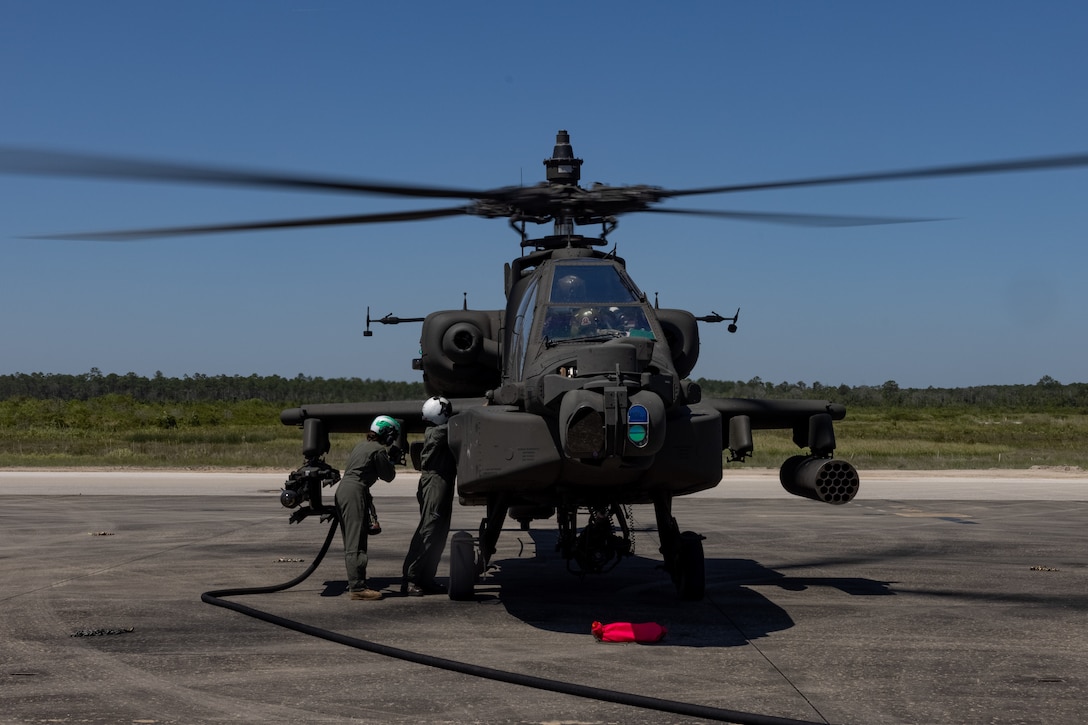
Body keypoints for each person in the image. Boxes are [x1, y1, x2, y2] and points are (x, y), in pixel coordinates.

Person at [337, 414, 401, 601]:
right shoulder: (377, 450)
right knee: (355, 542)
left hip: (346, 490)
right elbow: (388, 476)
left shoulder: (361, 446)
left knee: (353, 538)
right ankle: (357, 587)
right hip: (355, 492)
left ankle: (358, 582)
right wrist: (392, 460)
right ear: (385, 433)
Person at [401, 396, 456, 596]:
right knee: (429, 529)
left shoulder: (437, 429)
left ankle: (426, 578)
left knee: (440, 531)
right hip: (434, 482)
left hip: (443, 482)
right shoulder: (438, 431)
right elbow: (456, 424)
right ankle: (411, 578)